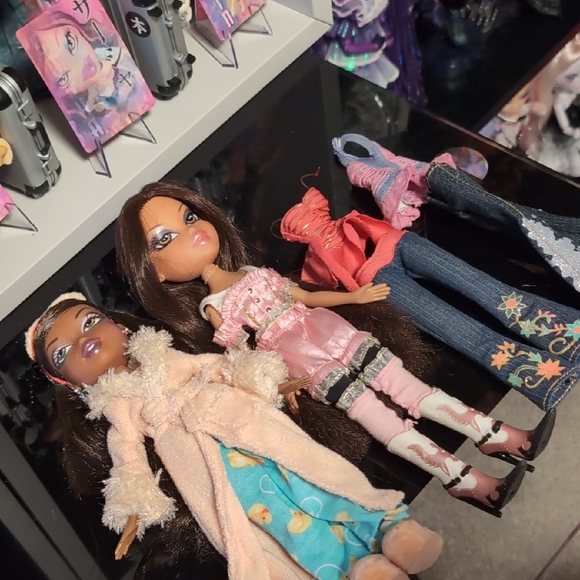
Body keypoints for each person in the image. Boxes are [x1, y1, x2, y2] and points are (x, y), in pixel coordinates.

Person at [114, 182, 557, 516]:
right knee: (374, 413)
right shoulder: (214, 307)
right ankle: (463, 479)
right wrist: (276, 385)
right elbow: (243, 357)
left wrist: (353, 297)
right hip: (300, 359)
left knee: (404, 384)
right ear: (156, 273)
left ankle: (497, 435)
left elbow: (300, 295)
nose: (190, 232)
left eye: (189, 217)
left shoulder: (250, 271)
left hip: (330, 329)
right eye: (164, 239)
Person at [26, 293, 444, 580]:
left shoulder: (160, 353)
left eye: (90, 322)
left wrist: (262, 377)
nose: (84, 341)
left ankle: (386, 528)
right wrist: (133, 506)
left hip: (237, 416)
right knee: (270, 519)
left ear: (116, 325)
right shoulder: (117, 405)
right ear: (69, 383)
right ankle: (351, 568)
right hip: (197, 459)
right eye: (64, 353)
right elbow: (127, 452)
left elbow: (210, 365)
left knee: (310, 470)